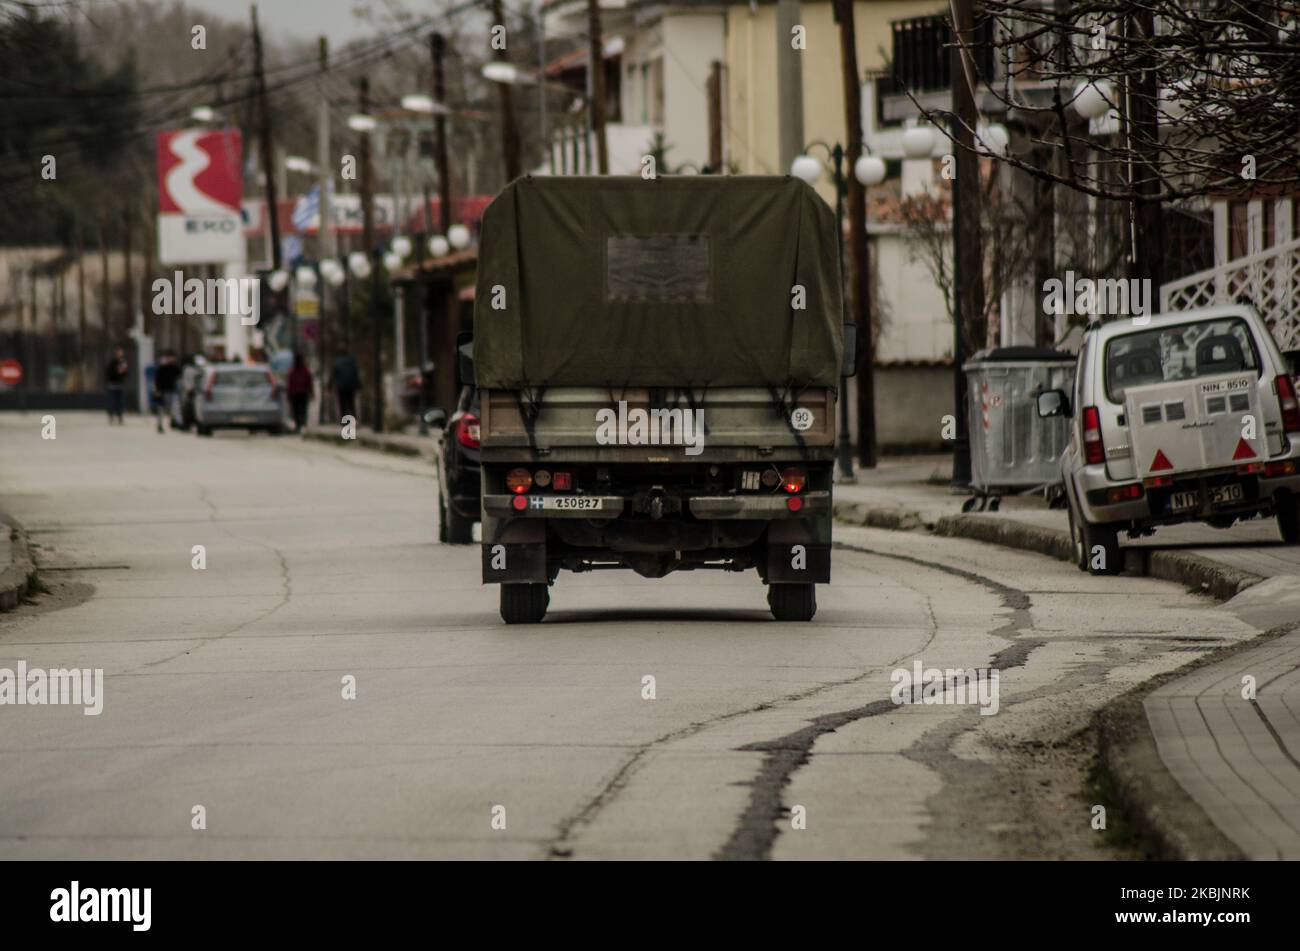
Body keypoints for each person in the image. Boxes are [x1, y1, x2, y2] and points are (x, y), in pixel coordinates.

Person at [152, 350, 181, 434]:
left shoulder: (175, 368)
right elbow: (157, 380)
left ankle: (175, 422)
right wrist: (157, 390)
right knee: (161, 409)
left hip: (172, 390)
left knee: (174, 408)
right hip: (163, 391)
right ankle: (160, 424)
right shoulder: (162, 368)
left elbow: (179, 377)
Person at [331, 345, 360, 424]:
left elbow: (333, 374)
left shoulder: (337, 361)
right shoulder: (351, 360)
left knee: (342, 404)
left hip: (341, 386)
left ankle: (344, 420)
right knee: (351, 403)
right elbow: (355, 373)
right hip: (350, 385)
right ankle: (354, 419)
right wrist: (358, 384)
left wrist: (329, 385)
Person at [287, 352, 313, 433]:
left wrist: (288, 394)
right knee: (303, 409)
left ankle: (299, 425)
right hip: (303, 392)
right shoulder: (305, 370)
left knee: (296, 410)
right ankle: (302, 424)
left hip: (295, 393)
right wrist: (311, 392)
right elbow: (309, 381)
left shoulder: (292, 370)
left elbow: (290, 383)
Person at [104, 347, 128, 424]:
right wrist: (117, 372)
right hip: (112, 385)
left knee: (120, 402)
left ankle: (120, 416)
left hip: (120, 385)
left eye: (122, 353)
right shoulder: (112, 362)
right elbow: (109, 373)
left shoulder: (123, 362)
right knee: (112, 401)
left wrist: (123, 372)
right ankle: (111, 415)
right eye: (119, 352)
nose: (121, 354)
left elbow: (125, 373)